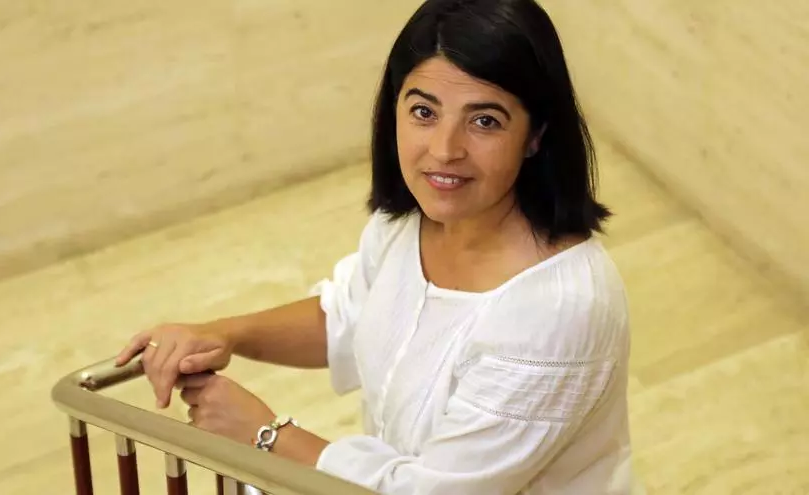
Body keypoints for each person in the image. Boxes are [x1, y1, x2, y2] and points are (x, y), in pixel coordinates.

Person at [115, 0, 633, 493]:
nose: (444, 150)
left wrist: (266, 434)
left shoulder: (557, 313)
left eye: (484, 121)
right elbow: (347, 316)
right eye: (424, 112)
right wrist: (223, 334)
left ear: (536, 134)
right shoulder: (408, 221)